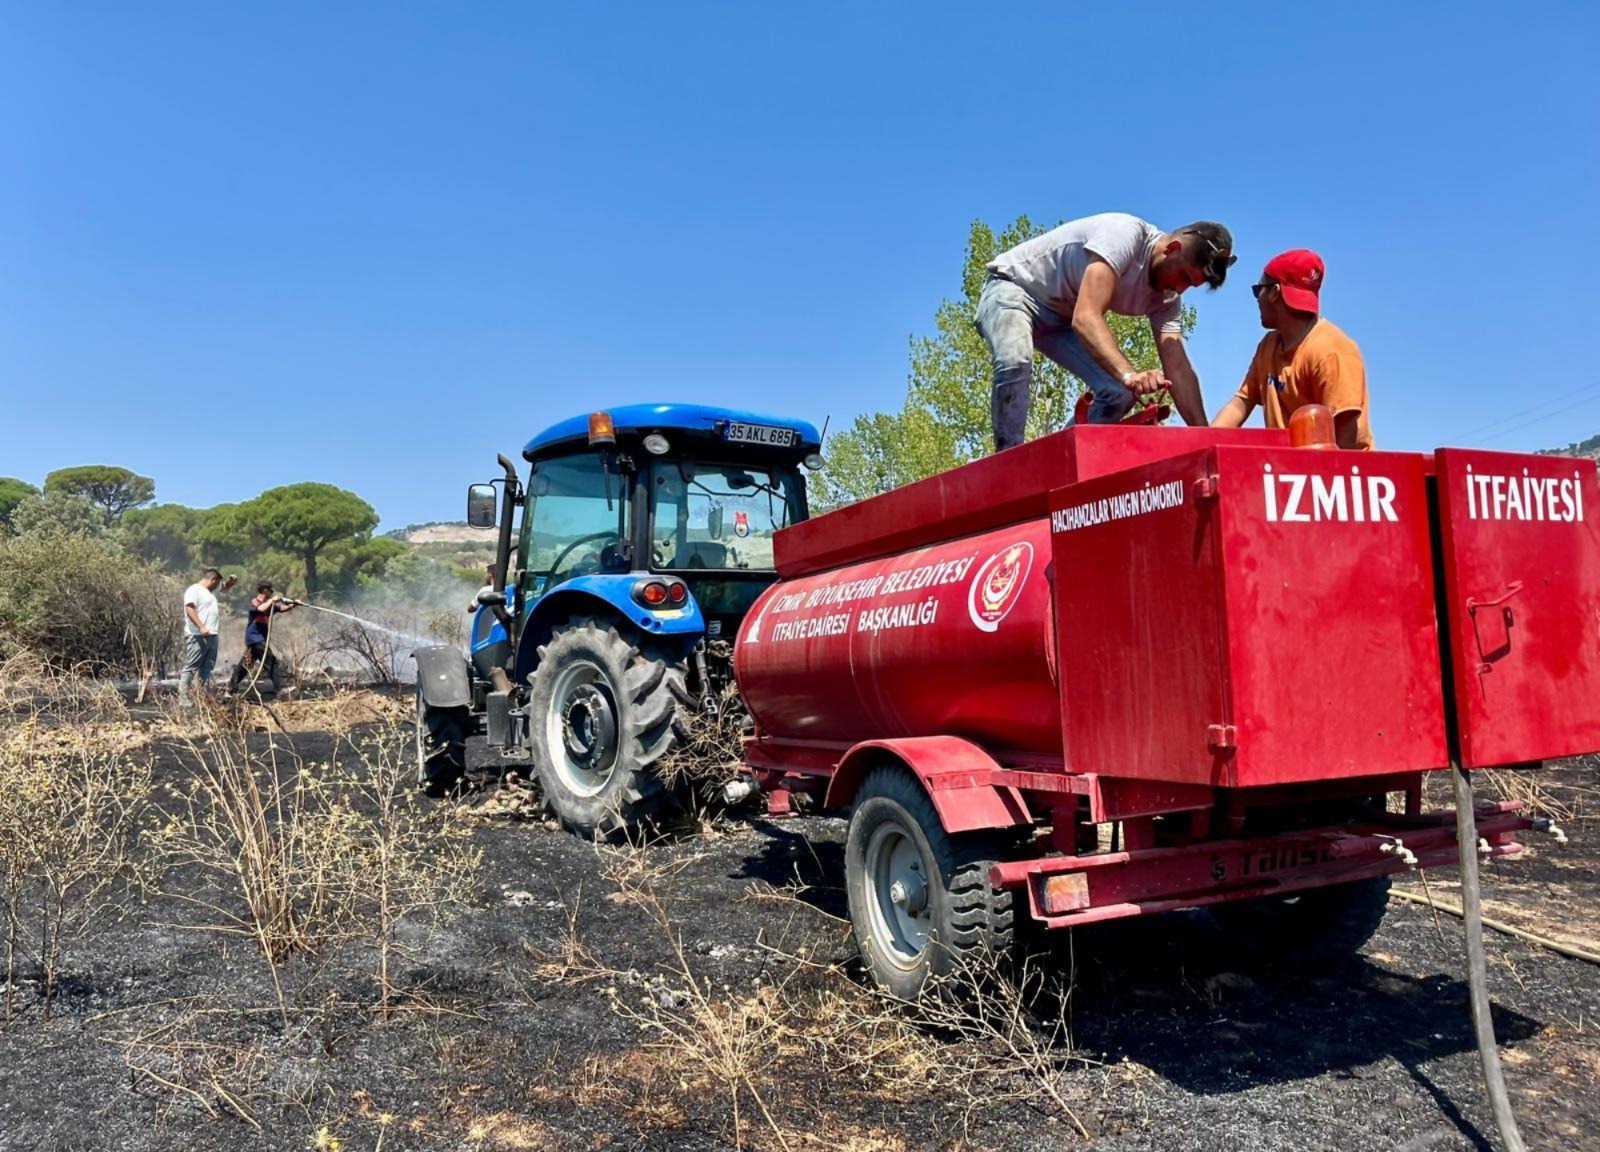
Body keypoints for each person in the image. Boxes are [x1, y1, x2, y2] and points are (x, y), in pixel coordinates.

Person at [976, 212, 1236, 450]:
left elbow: (1178, 366)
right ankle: (1010, 459)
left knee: (1120, 393)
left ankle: (1057, 459)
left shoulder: (1167, 298)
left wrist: (1206, 439)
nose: (1181, 289)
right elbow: (1086, 317)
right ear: (1172, 248)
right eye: (1184, 277)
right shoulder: (1125, 235)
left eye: (1192, 286)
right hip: (1013, 290)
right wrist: (1128, 374)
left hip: (1060, 321)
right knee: (1015, 358)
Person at [1210, 249, 1372, 450]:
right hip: (1289, 473)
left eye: (1258, 289)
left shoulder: (1331, 351)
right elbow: (1239, 404)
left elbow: (1344, 442)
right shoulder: (1268, 346)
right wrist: (1204, 449)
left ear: (1275, 292)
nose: (1257, 298)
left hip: (1335, 476)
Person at [179, 568, 237, 703]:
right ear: (212, 580)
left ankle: (202, 697)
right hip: (197, 635)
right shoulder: (194, 590)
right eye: (217, 583)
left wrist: (230, 582)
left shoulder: (210, 592)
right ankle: (183, 699)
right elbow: (189, 609)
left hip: (212, 635)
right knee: (191, 666)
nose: (218, 587)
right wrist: (201, 626)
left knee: (207, 668)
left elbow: (224, 587)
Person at [228, 582, 297, 693]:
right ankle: (280, 688)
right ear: (265, 590)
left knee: (245, 665)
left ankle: (230, 690)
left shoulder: (269, 605)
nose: (272, 592)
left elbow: (282, 608)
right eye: (270, 590)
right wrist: (272, 600)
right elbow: (260, 609)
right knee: (271, 661)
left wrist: (294, 604)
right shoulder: (255, 602)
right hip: (255, 638)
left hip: (257, 639)